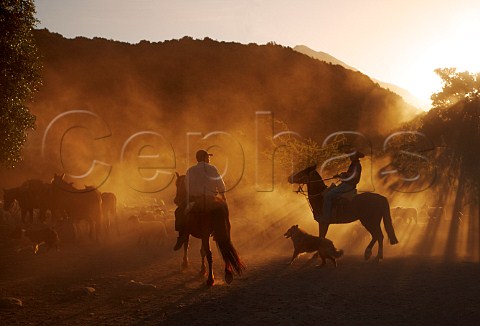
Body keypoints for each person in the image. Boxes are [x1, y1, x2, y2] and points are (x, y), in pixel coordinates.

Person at [173, 149, 227, 250]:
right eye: (208, 157)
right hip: (211, 199)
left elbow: (187, 187)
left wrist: (194, 193)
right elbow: (219, 182)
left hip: (195, 199)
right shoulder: (212, 168)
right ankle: (221, 231)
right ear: (205, 158)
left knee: (179, 211)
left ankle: (182, 235)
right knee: (223, 213)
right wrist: (222, 194)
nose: (209, 159)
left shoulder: (190, 170)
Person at [321, 151, 365, 223]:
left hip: (348, 185)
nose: (350, 157)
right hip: (347, 184)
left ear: (355, 156)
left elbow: (355, 175)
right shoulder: (354, 164)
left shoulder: (357, 165)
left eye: (351, 155)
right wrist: (340, 175)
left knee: (328, 196)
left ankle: (326, 218)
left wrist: (343, 174)